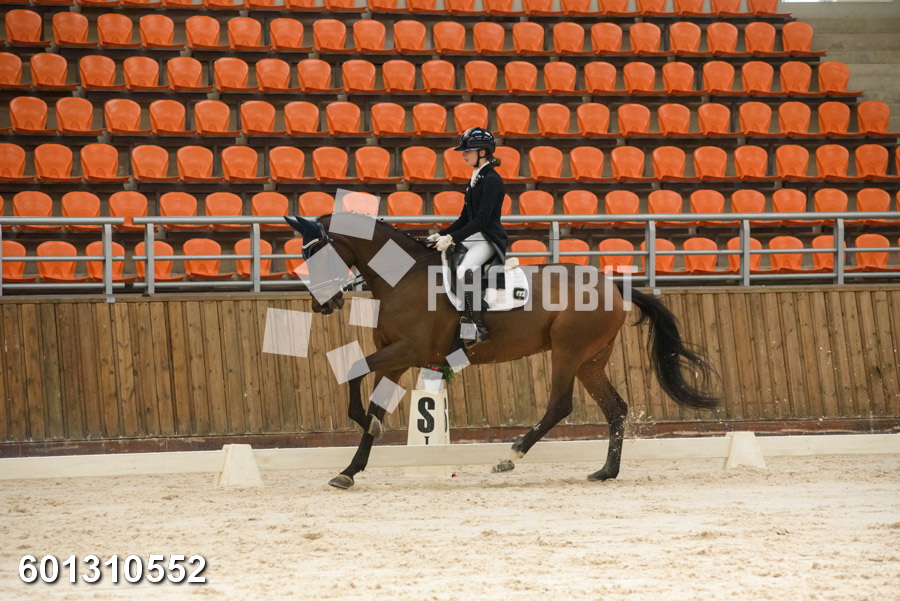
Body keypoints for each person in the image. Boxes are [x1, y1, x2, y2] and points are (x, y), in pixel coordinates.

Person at [427, 127, 508, 347]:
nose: (463, 154)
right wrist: (442, 234)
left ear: (482, 152)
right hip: (474, 234)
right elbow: (464, 218)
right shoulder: (476, 177)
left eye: (467, 151)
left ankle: (477, 324)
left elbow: (481, 220)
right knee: (443, 260)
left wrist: (453, 238)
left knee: (464, 271)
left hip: (487, 238)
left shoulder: (491, 180)